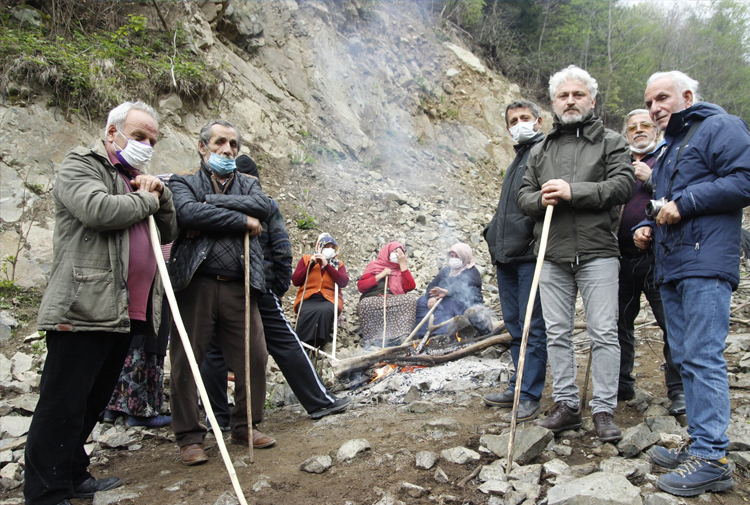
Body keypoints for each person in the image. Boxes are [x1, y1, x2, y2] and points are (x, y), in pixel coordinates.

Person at [25, 101, 177, 505]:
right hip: (84, 303)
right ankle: (45, 492)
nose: (145, 145)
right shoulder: (82, 164)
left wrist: (160, 195)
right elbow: (98, 210)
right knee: (63, 401)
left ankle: (73, 473)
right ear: (113, 133)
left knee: (92, 399)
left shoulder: (135, 177)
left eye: (152, 140)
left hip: (127, 309)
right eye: (139, 135)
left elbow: (170, 227)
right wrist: (147, 198)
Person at [635, 71, 750, 497]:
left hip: (705, 263)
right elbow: (667, 206)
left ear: (687, 95)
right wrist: (646, 227)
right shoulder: (670, 148)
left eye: (661, 98)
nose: (653, 108)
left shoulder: (720, 126)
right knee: (686, 357)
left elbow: (745, 180)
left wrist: (685, 204)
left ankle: (713, 458)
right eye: (648, 102)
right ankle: (702, 443)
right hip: (674, 265)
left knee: (702, 356)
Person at [517, 65, 634, 443]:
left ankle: (603, 410)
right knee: (557, 333)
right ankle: (567, 405)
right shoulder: (541, 148)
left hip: (599, 250)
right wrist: (540, 199)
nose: (570, 101)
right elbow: (524, 197)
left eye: (578, 94)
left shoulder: (612, 141)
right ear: (552, 103)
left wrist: (572, 192)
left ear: (592, 100)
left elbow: (623, 185)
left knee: (603, 332)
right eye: (563, 96)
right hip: (551, 253)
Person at [200, 159, 350, 426]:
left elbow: (283, 253)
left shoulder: (221, 204)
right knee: (282, 343)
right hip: (256, 288)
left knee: (215, 350)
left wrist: (275, 286)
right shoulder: (262, 205)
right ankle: (318, 402)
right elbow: (284, 255)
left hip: (235, 288)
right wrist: (276, 287)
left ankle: (218, 418)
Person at [168, 120, 274, 466]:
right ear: (203, 147)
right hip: (196, 283)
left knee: (254, 355)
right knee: (186, 359)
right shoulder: (184, 182)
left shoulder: (250, 183)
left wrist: (210, 208)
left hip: (240, 286)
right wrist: (241, 220)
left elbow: (263, 209)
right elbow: (185, 212)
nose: (227, 150)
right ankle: (189, 437)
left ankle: (245, 425)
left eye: (233, 144)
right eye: (219, 143)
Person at [483, 99, 548, 423]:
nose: (520, 123)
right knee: (514, 326)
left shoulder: (544, 151)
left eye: (525, 118)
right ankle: (517, 384)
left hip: (530, 254)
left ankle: (529, 394)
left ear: (538, 121)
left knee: (532, 326)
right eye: (513, 120)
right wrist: (492, 234)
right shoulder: (519, 156)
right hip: (506, 255)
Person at [616, 109, 684, 415]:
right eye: (633, 127)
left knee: (671, 324)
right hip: (621, 257)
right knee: (619, 324)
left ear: (655, 129)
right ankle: (621, 383)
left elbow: (684, 196)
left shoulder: (671, 157)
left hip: (658, 257)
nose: (639, 130)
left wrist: (653, 178)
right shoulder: (618, 163)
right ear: (626, 132)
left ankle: (678, 390)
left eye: (645, 125)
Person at [292, 233, 349, 348]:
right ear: (320, 247)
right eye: (327, 246)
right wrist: (310, 265)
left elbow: (343, 282)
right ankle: (302, 343)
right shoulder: (306, 259)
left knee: (325, 311)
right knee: (306, 311)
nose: (330, 250)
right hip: (308, 298)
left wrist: (327, 265)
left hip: (329, 299)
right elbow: (296, 281)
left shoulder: (338, 264)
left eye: (333, 248)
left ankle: (318, 343)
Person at [413, 243, 482, 338]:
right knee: (422, 301)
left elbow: (462, 284)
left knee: (448, 305)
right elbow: (433, 284)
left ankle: (440, 335)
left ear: (465, 257)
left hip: (464, 304)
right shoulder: (446, 270)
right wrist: (432, 297)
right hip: (442, 298)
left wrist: (447, 291)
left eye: (457, 256)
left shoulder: (472, 272)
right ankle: (420, 334)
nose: (454, 259)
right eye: (452, 256)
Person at [357, 242, 417, 347]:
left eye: (399, 252)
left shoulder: (401, 269)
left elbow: (410, 286)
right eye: (394, 251)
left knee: (410, 300)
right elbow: (361, 286)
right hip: (374, 299)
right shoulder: (374, 266)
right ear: (387, 252)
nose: (396, 254)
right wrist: (381, 275)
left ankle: (400, 336)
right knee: (365, 304)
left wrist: (403, 266)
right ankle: (372, 339)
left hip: (395, 299)